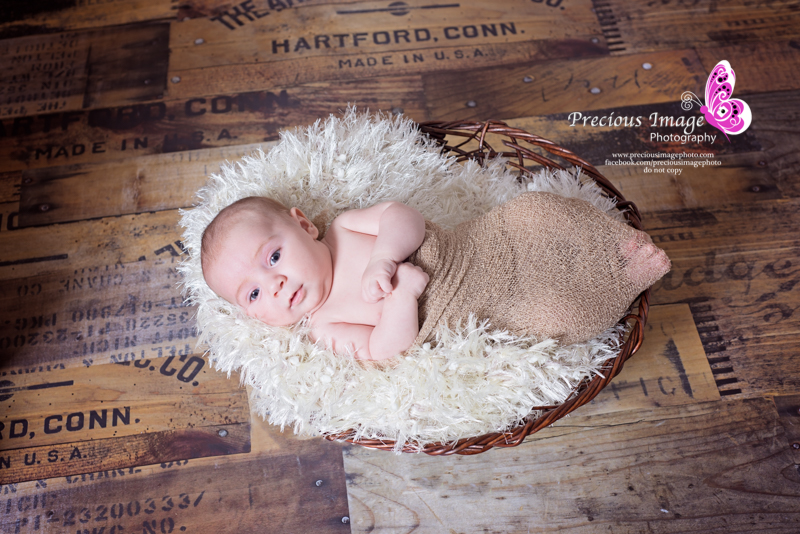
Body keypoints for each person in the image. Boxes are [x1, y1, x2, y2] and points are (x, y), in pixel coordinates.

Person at [201, 194, 670, 361]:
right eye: (256, 292)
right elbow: (385, 350)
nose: (277, 283)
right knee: (556, 312)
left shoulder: (344, 227)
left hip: (477, 246)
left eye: (274, 256)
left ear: (304, 225)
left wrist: (384, 257)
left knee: (532, 212)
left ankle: (612, 241)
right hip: (473, 306)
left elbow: (405, 218)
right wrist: (403, 295)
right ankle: (627, 274)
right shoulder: (325, 328)